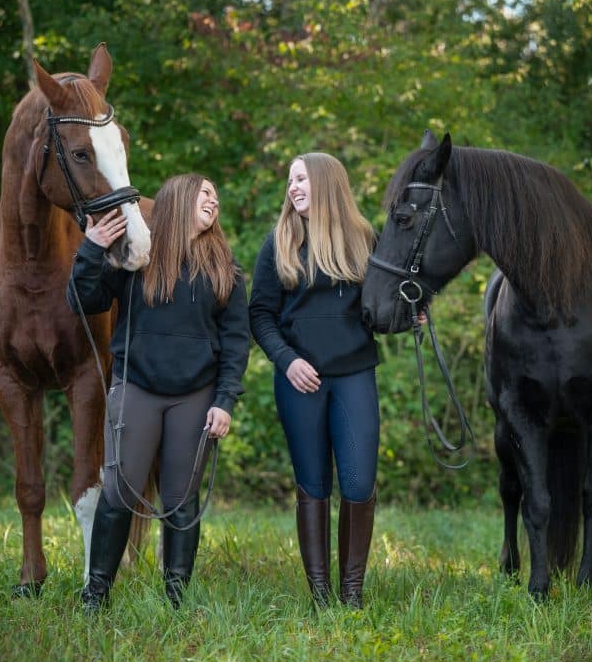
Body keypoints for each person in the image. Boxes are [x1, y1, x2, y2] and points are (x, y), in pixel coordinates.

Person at [68, 174, 249, 611]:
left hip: (196, 396)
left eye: (216, 195)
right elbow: (83, 299)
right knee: (120, 490)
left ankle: (176, 599)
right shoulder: (136, 257)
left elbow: (237, 342)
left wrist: (224, 402)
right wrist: (92, 247)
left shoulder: (226, 270)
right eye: (206, 192)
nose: (214, 200)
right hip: (137, 387)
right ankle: (96, 593)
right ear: (179, 199)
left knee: (181, 499)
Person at [249, 153, 380, 608]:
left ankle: (352, 592)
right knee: (313, 483)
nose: (293, 187)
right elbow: (260, 315)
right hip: (299, 381)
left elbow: (378, 314)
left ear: (325, 182)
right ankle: (321, 595)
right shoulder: (280, 241)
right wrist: (287, 361)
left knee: (359, 483)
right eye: (290, 180)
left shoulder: (363, 240)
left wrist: (411, 314)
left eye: (301, 178)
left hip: (354, 375)